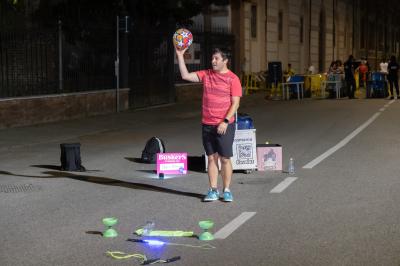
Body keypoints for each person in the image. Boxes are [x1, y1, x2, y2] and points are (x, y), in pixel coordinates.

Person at [175, 46, 242, 202]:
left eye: (216, 59)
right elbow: (185, 75)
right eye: (212, 58)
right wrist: (179, 55)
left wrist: (225, 121)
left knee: (225, 158)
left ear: (225, 60)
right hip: (207, 124)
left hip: (224, 124)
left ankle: (226, 190)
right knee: (211, 158)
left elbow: (235, 104)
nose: (213, 61)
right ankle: (213, 190)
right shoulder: (206, 74)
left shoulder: (233, 79)